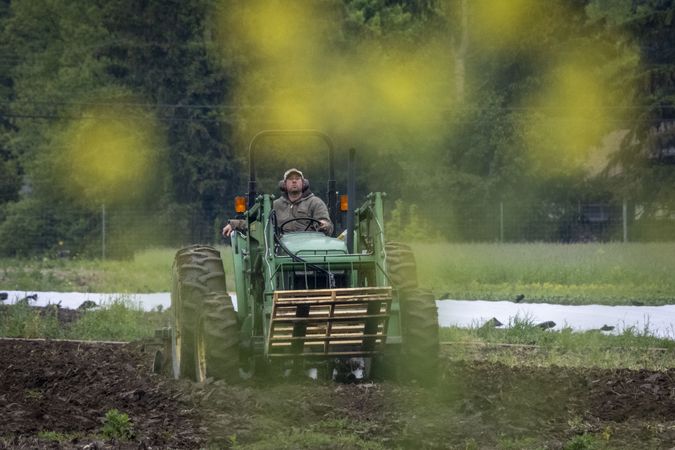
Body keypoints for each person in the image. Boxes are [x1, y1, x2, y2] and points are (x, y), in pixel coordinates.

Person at [222, 168, 333, 237]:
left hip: (310, 246)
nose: (294, 181)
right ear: (284, 184)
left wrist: (324, 225)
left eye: (297, 178)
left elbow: (325, 223)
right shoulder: (274, 205)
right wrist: (234, 224)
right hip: (280, 247)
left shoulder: (315, 202)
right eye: (290, 179)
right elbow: (258, 225)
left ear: (303, 183)